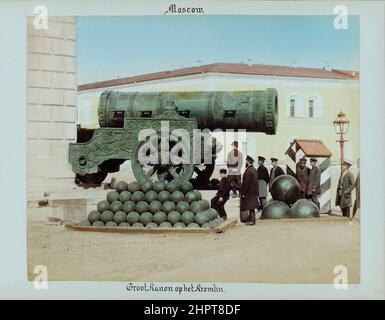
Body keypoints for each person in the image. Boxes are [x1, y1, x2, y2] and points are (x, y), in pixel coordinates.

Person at [240, 155, 259, 225]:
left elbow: (246, 183)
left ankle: (252, 221)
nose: (245, 162)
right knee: (252, 207)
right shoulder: (254, 170)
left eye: (246, 161)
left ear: (248, 161)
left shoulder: (248, 171)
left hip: (249, 192)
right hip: (253, 191)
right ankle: (252, 220)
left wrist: (243, 192)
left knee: (250, 206)